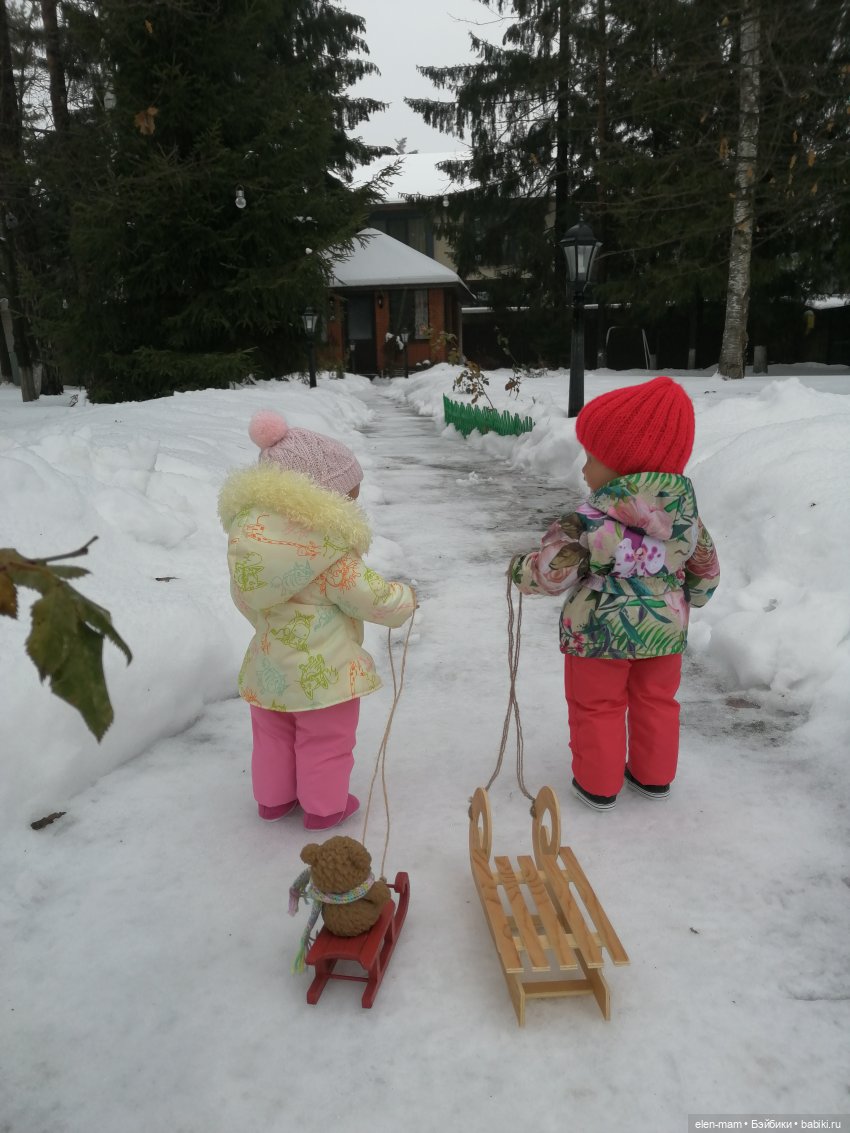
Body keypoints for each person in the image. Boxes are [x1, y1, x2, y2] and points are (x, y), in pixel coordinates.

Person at [510, 376, 720, 810]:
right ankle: (653, 777)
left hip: (598, 635)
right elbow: (705, 568)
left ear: (625, 466)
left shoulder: (587, 521)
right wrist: (693, 598)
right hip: (664, 632)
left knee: (597, 706)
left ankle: (598, 785)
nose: (584, 468)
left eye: (592, 457)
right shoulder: (688, 520)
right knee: (657, 702)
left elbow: (552, 572)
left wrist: (521, 572)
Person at [218, 409, 416, 830]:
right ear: (322, 499)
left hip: (268, 668)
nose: (353, 503)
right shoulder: (328, 554)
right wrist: (405, 601)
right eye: (348, 496)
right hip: (324, 676)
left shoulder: (250, 546)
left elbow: (244, 599)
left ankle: (273, 801)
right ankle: (325, 807)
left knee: (272, 737)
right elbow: (372, 598)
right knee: (325, 741)